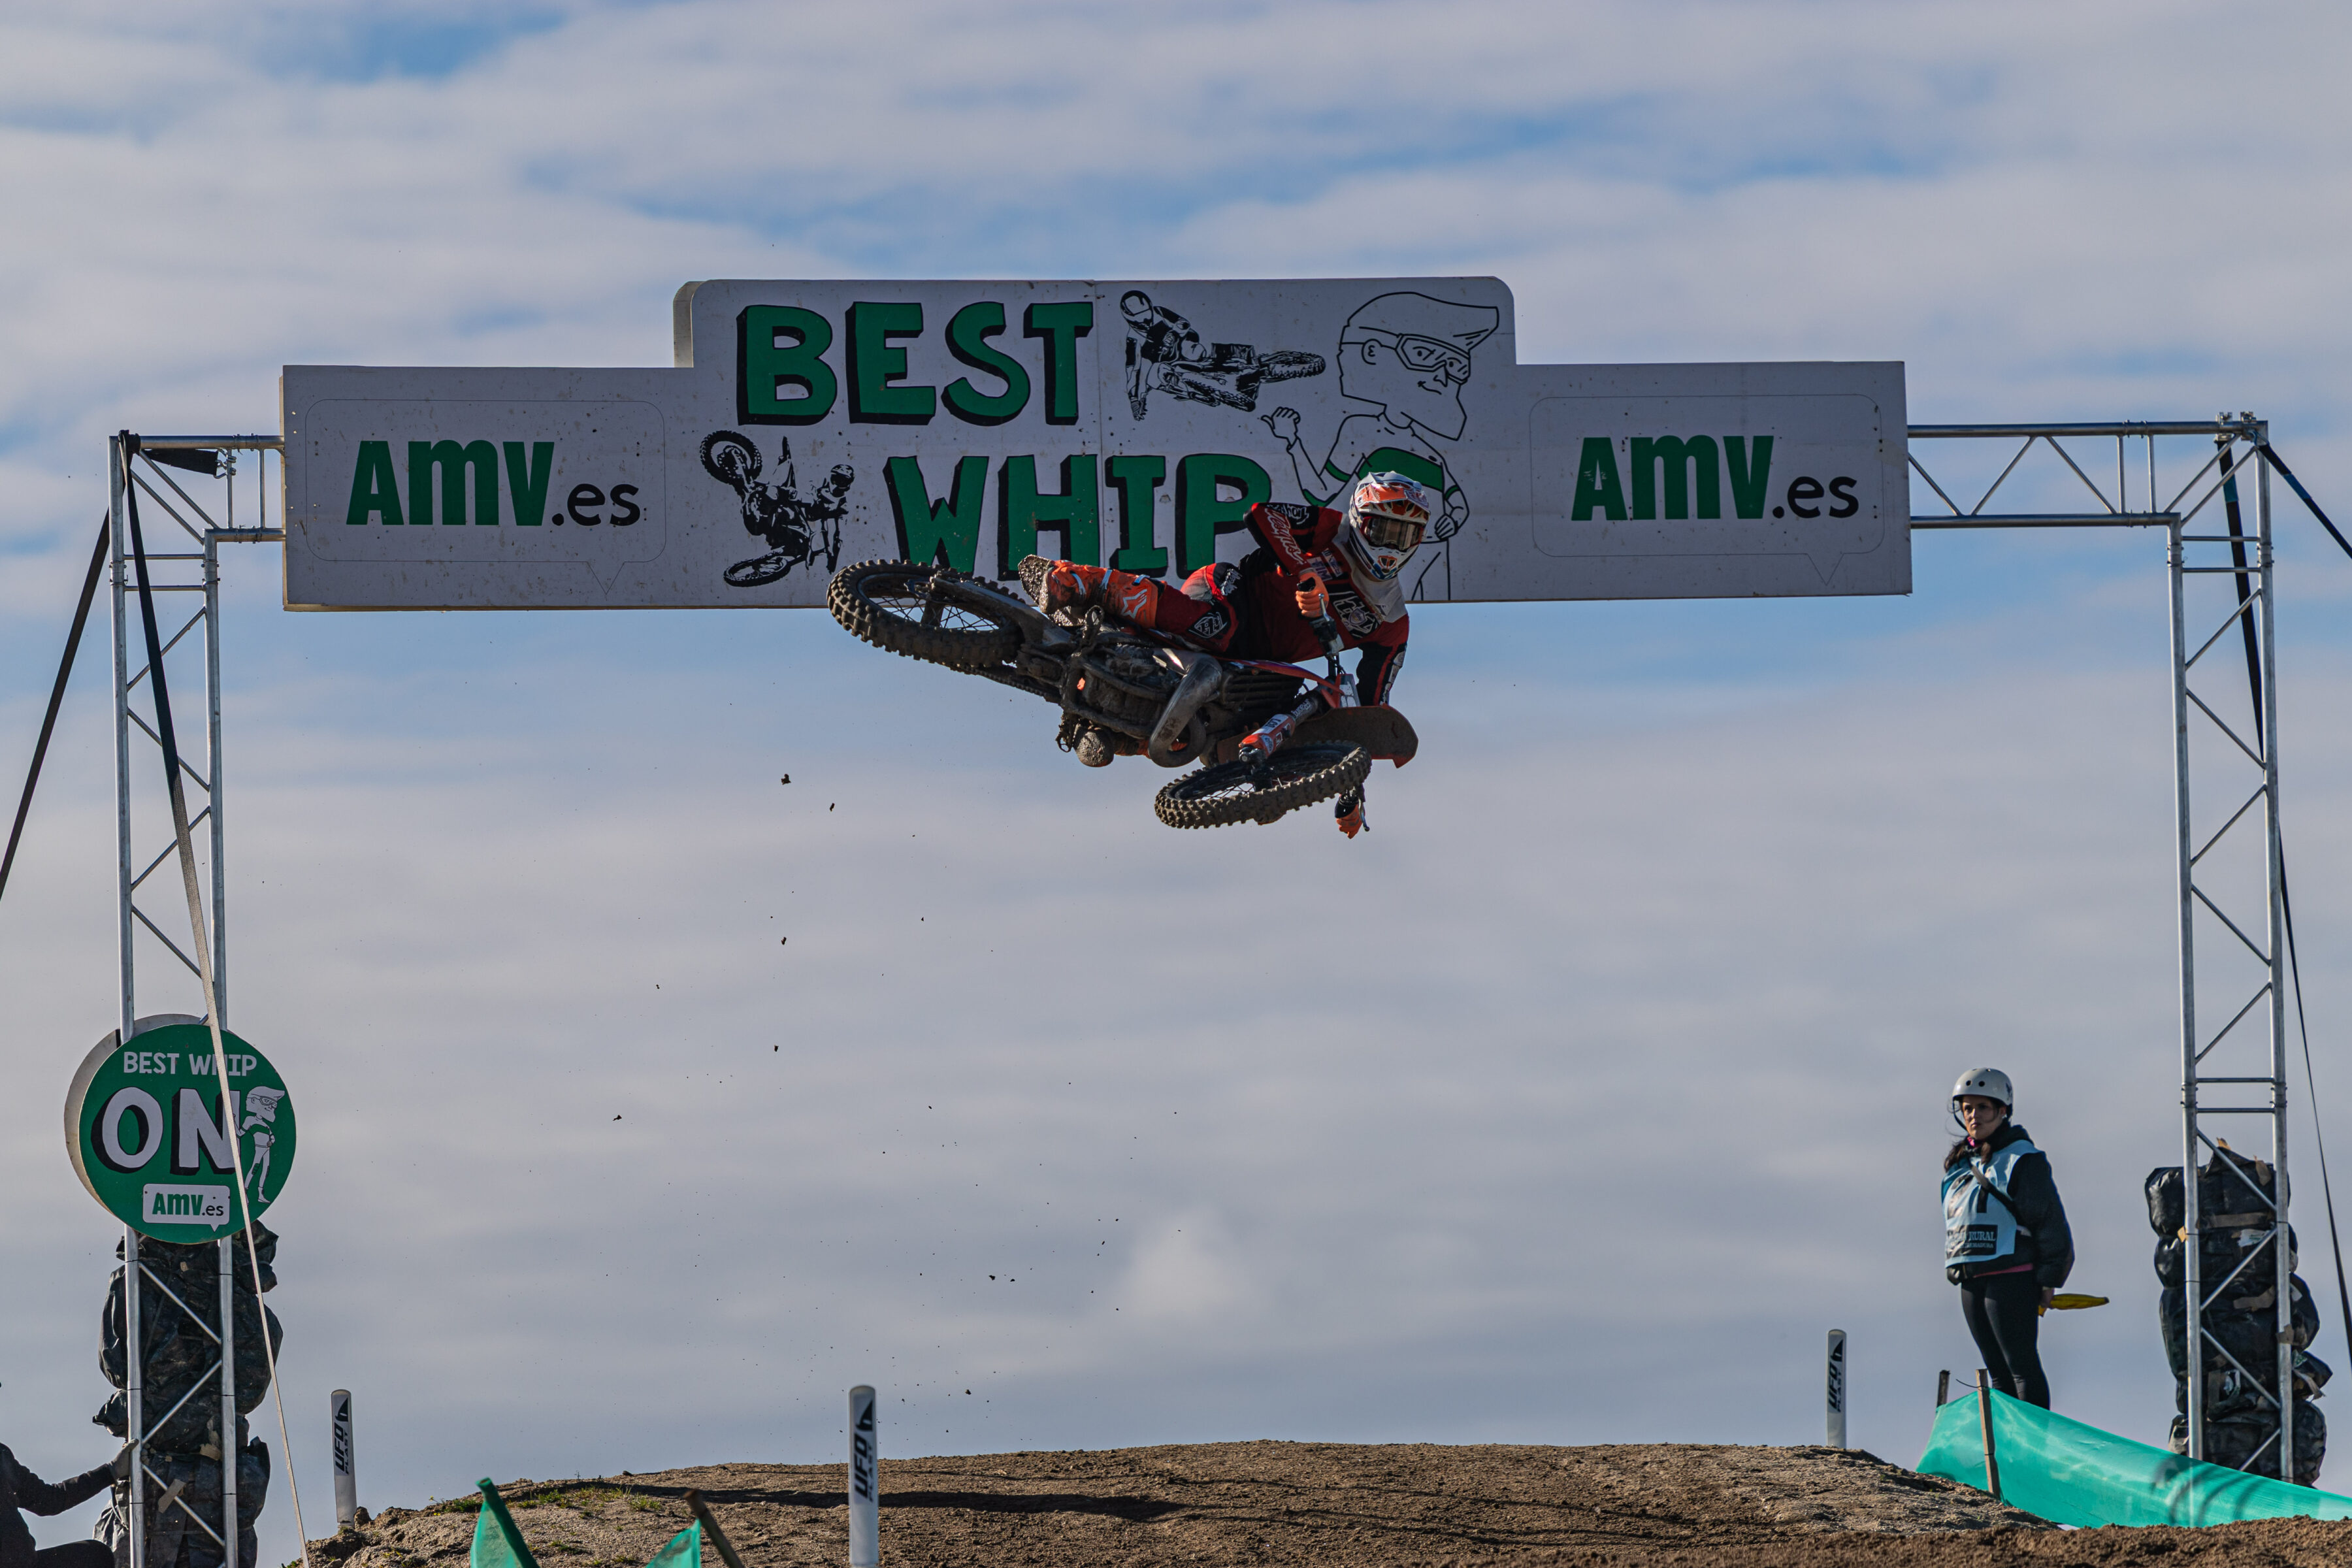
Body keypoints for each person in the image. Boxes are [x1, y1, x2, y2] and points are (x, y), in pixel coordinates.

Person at [1032, 472, 1429, 838]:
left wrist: (1350, 790)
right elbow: (1263, 515)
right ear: (1360, 520)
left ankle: (1117, 733)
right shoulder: (1330, 528)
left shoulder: (1392, 620)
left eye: (1404, 535)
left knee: (1220, 728)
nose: (1391, 545)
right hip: (1230, 593)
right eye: (1384, 530)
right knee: (1216, 628)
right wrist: (1304, 571)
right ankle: (1085, 580)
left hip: (1259, 662)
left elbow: (1370, 714)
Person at [1943, 1068, 2074, 1409]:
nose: (1974, 1115)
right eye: (1967, 1108)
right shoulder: (1958, 1165)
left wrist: (2049, 1278)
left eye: (1983, 1107)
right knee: (1997, 1373)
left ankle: (2034, 1439)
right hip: (1971, 1277)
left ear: (2003, 1110)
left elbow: (2050, 1221)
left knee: (2021, 1368)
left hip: (2011, 1275)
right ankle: (2005, 1440)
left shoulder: (2023, 1159)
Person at [0, 1428, 125, 1568]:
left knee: (95, 1556)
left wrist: (111, 1471)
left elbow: (48, 1500)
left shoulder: (2, 1458)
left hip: (26, 1563)